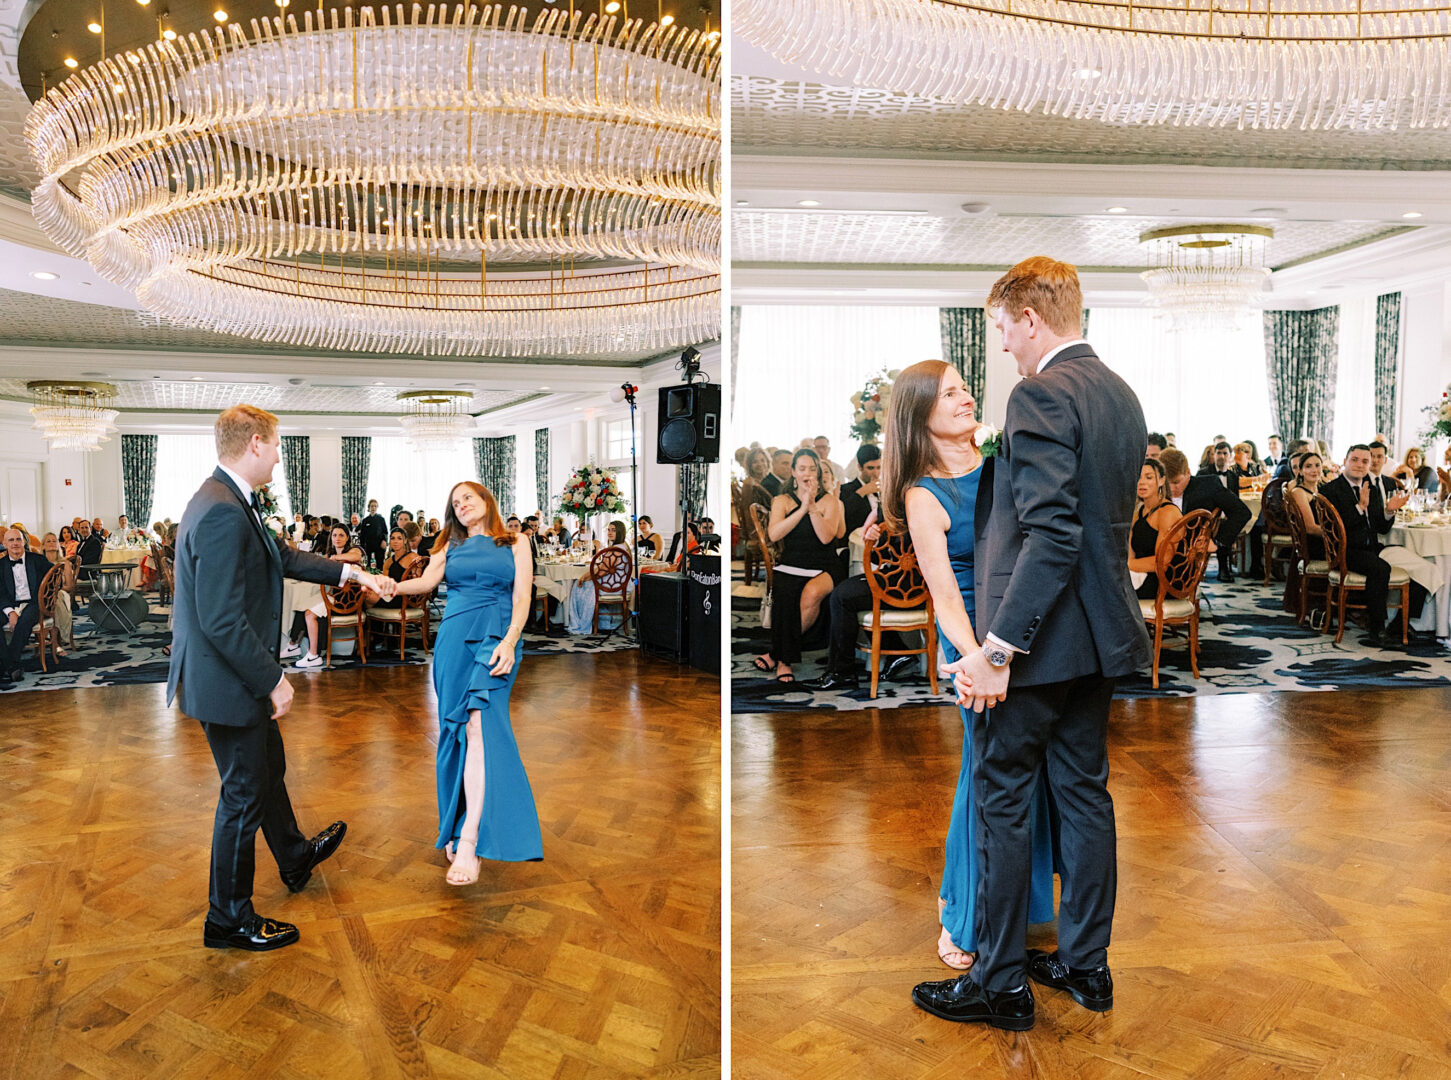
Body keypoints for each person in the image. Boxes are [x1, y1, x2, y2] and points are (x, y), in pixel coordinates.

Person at [913, 256, 1149, 1031]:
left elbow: (1051, 534)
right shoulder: (1119, 391)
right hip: (1103, 634)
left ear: (1029, 319)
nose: (1004, 348)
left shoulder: (1039, 393)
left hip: (1041, 643)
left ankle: (1000, 981)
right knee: (1084, 796)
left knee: (1002, 799)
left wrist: (997, 648)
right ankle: (1087, 967)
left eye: (1004, 331)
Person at [167, 404, 394, 951]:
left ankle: (293, 858)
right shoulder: (221, 509)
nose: (277, 455)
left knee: (267, 768)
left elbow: (282, 557)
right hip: (229, 680)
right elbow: (220, 616)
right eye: (275, 444)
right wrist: (273, 679)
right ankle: (227, 918)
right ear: (254, 444)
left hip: (226, 676)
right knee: (242, 795)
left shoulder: (227, 499)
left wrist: (353, 571)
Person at [880, 361, 1056, 974]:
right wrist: (978, 661)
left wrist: (1011, 646)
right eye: (949, 391)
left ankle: (1014, 903)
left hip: (1024, 636)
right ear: (919, 412)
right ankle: (963, 912)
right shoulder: (922, 494)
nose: (966, 397)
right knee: (982, 778)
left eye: (964, 388)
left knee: (1026, 771)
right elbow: (944, 597)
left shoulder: (1002, 464)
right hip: (972, 646)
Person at [391, 481, 540, 886]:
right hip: (455, 641)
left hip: (496, 637)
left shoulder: (516, 541)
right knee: (457, 732)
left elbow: (523, 597)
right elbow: (423, 584)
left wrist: (510, 640)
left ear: (485, 500)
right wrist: (387, 585)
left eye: (468, 498)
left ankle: (471, 840)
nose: (462, 506)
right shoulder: (447, 547)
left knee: (479, 725)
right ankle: (456, 826)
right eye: (455, 503)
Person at [753, 448, 845, 683]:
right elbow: (774, 534)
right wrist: (802, 508)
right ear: (793, 472)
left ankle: (777, 655)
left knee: (812, 594)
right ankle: (785, 660)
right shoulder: (781, 500)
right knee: (785, 593)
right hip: (791, 563)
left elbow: (826, 538)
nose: (807, 473)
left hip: (825, 564)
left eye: (812, 469)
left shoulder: (830, 501)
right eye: (802, 468)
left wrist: (812, 506)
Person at [1321, 445, 1409, 645]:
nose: (1360, 465)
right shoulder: (1330, 491)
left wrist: (1389, 511)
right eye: (1355, 460)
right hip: (1346, 550)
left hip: (1372, 547)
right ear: (1345, 461)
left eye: (1365, 461)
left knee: (1414, 563)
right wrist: (1360, 507)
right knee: (1380, 569)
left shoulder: (1372, 488)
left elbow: (1382, 529)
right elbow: (1336, 529)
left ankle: (1405, 623)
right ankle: (1377, 628)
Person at [1161, 448, 1251, 584]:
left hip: (1183, 562)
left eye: (1176, 482)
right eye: (1167, 483)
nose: (1172, 488)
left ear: (1188, 473)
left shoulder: (1208, 486)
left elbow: (1241, 512)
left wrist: (1216, 542)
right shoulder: (1154, 488)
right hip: (1154, 552)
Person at [294, 524, 364, 669]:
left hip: (347, 601)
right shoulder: (328, 554)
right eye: (334, 535)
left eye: (341, 535)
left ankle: (313, 655)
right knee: (304, 602)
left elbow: (357, 556)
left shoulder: (353, 550)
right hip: (334, 596)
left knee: (309, 614)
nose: (337, 538)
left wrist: (334, 559)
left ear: (347, 538)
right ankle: (293, 644)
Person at [2, 526, 55, 688]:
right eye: (11, 540)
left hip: (34, 603)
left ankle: (9, 664)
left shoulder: (37, 560)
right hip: (10, 604)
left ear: (24, 541)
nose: (15, 543)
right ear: (4, 544)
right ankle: (11, 664)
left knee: (24, 621)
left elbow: (53, 579)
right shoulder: (0, 565)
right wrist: (10, 612)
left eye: (18, 539)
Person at [1129, 458, 1182, 599]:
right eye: (1138, 477)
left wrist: (1124, 566)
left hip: (1165, 583)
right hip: (1141, 574)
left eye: (1149, 477)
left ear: (1162, 481)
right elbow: (1129, 553)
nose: (1142, 482)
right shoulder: (1138, 512)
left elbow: (1162, 563)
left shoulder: (1168, 512)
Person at [565, 520, 630, 634]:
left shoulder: (614, 550)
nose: (610, 533)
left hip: (613, 586)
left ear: (620, 532)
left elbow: (601, 572)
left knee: (578, 585)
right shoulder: (624, 546)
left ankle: (580, 623)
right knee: (583, 582)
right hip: (621, 583)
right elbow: (601, 568)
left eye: (613, 530)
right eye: (609, 530)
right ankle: (601, 622)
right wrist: (586, 576)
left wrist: (584, 578)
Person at [39, 532, 74, 652]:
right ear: (43, 546)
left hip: (61, 594)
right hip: (42, 596)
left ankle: (56, 642)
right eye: (48, 541)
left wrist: (55, 591)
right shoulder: (38, 562)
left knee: (56, 597)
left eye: (54, 541)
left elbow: (69, 586)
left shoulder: (65, 563)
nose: (52, 543)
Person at [838, 445, 883, 536]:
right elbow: (843, 516)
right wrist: (862, 492)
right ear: (860, 467)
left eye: (878, 467)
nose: (876, 473)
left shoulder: (884, 489)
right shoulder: (845, 489)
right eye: (870, 468)